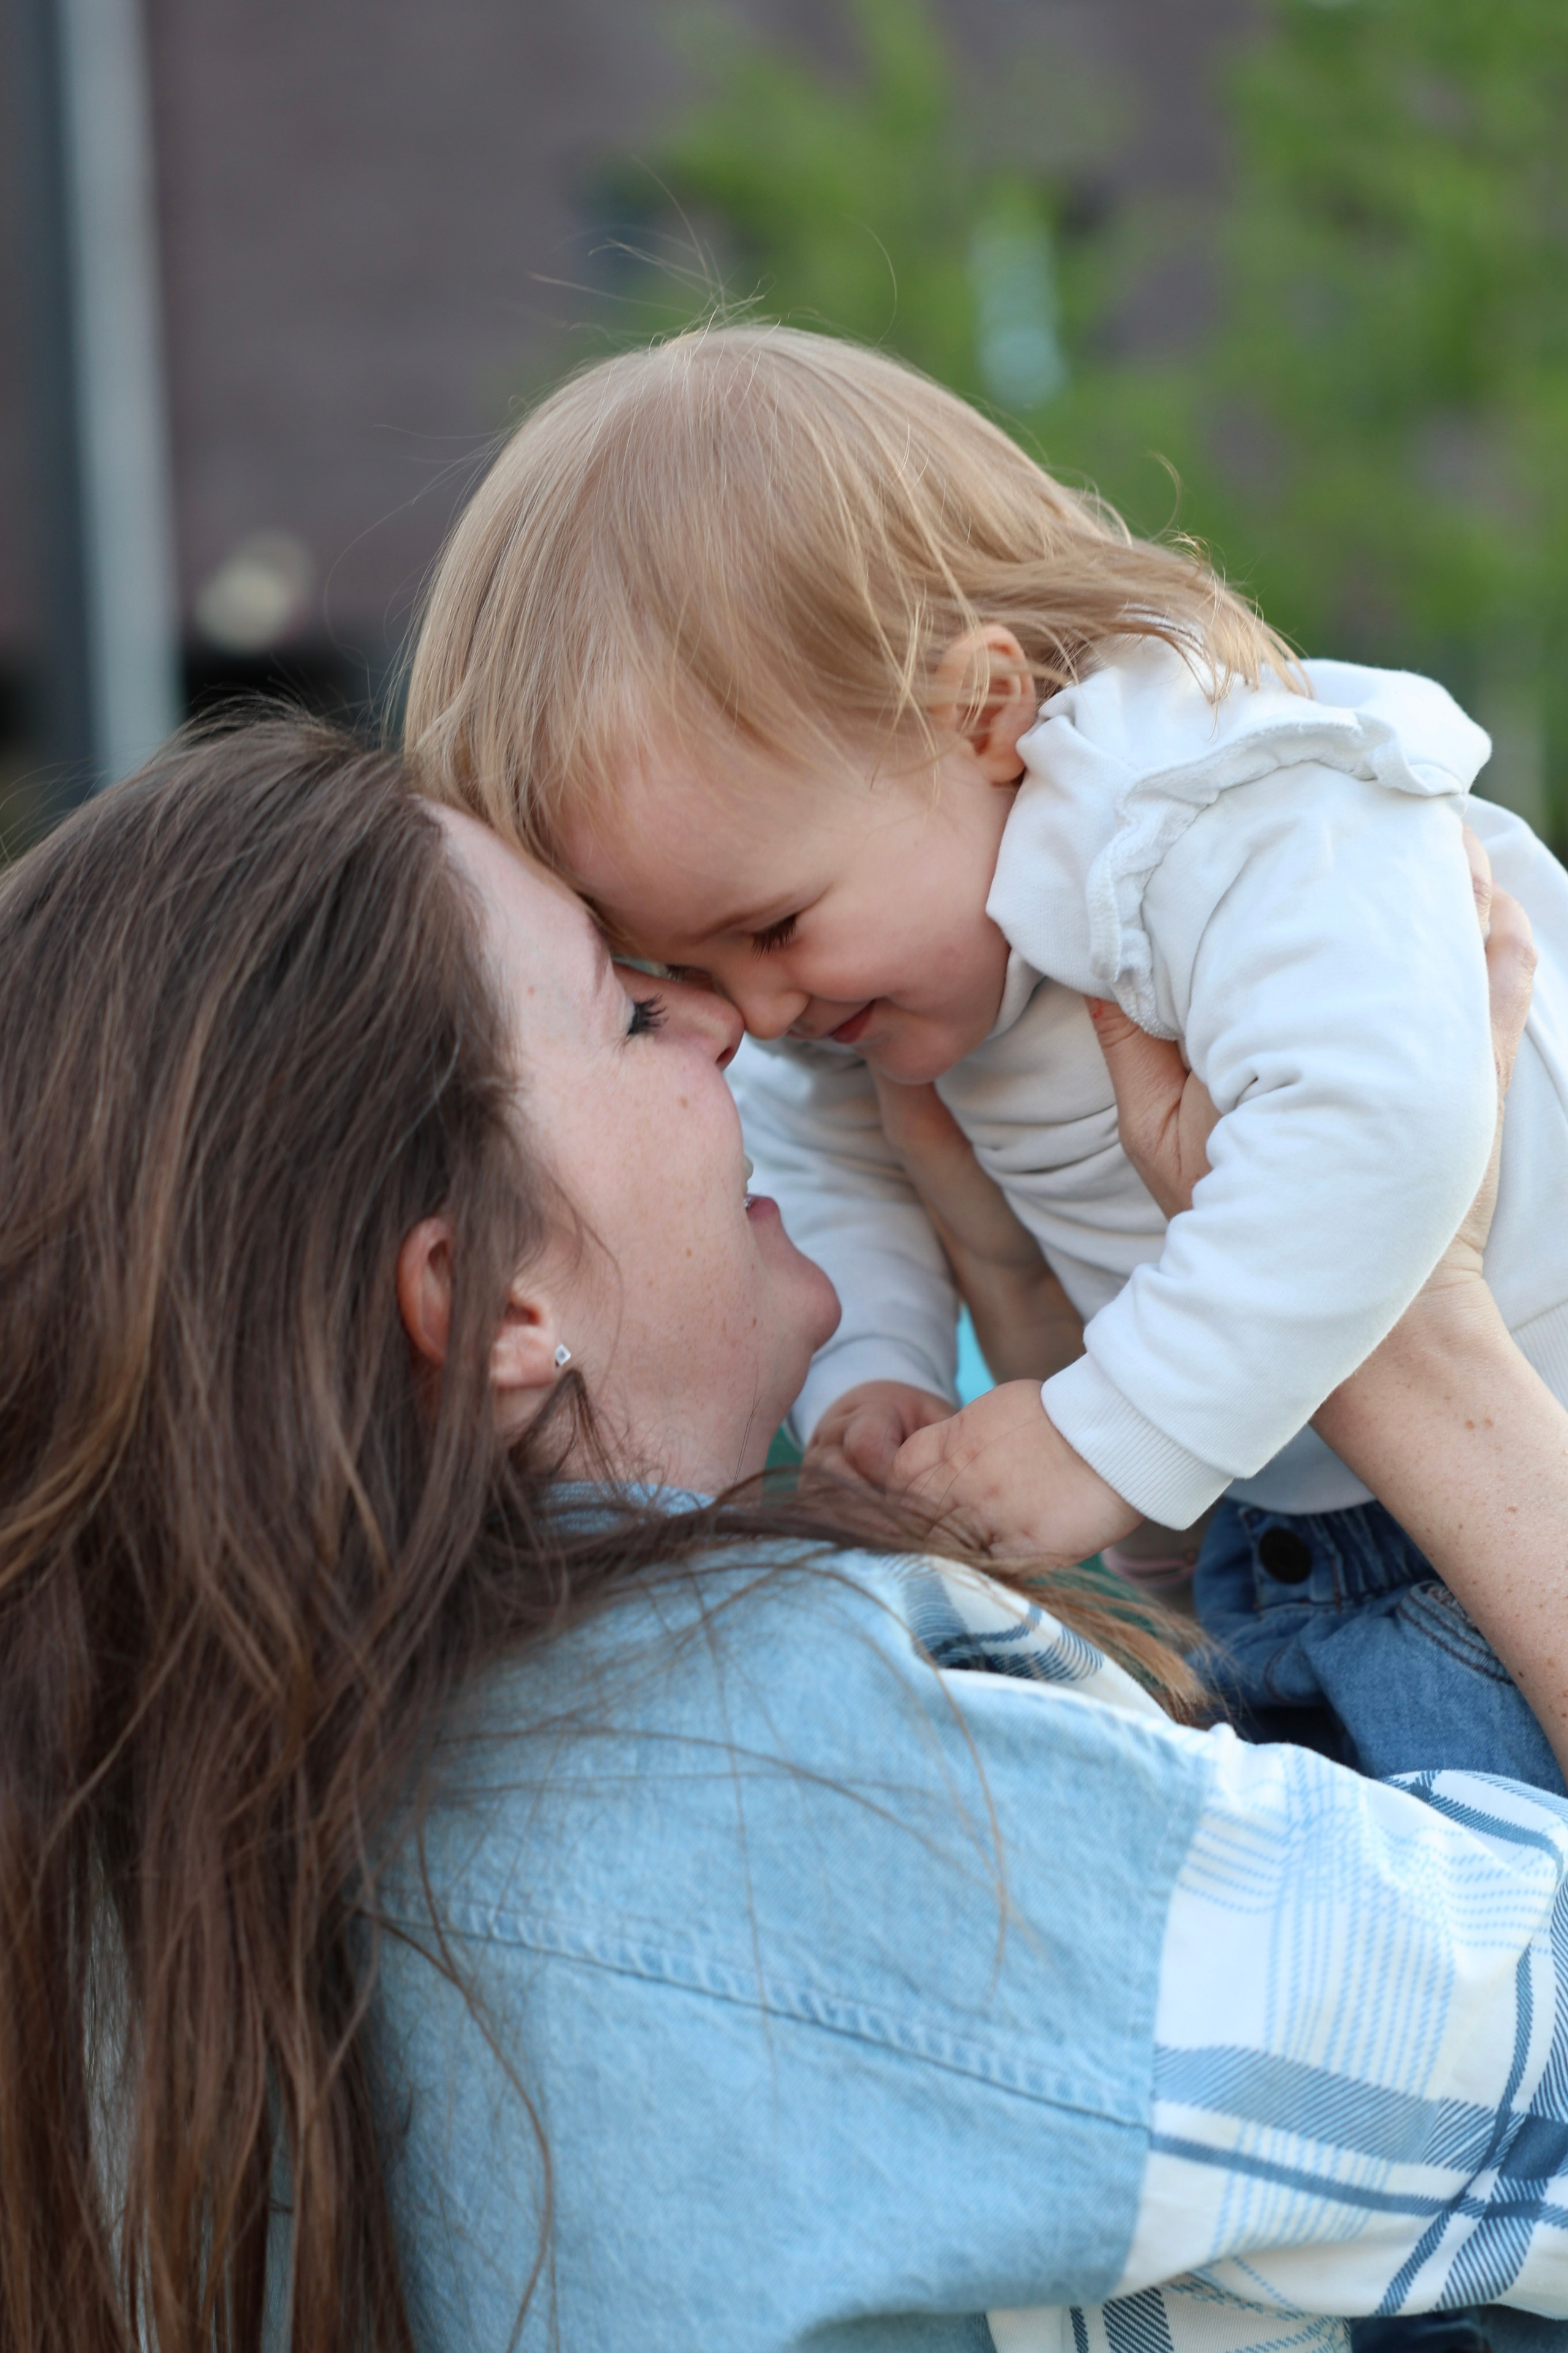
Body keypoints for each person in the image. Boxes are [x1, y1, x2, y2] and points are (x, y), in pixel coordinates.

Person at [5, 715, 1568, 2353]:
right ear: (482, 1297)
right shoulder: (772, 1779)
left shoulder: (110, 1884)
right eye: (626, 1004)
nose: (731, 1025)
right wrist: (1405, 1316)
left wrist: (1052, 1332)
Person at [402, 322, 1568, 1796]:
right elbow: (829, 1159)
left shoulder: (1212, 805)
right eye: (678, 974)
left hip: (1510, 1479)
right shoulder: (874, 969)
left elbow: (1379, 1130)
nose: (752, 1009)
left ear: (978, 710)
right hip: (1298, 1546)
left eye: (772, 926)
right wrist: (877, 1374)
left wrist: (1104, 1433)